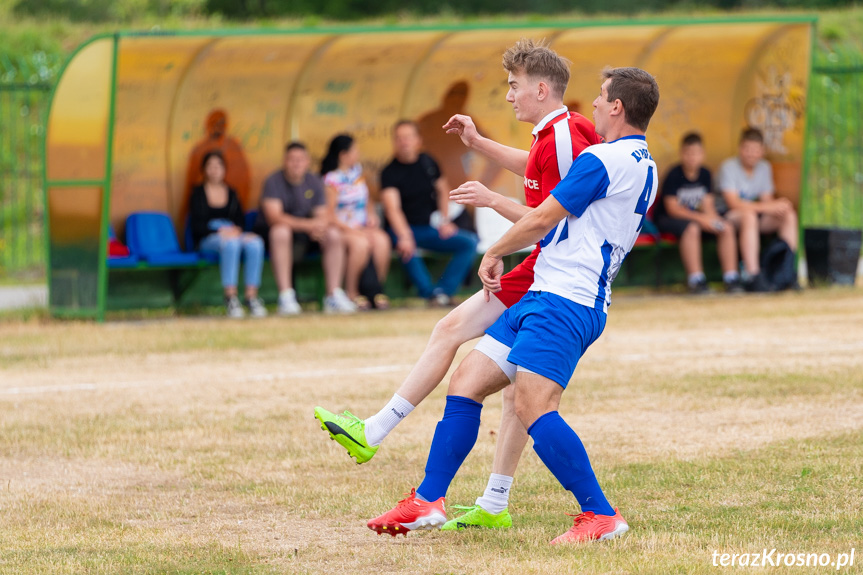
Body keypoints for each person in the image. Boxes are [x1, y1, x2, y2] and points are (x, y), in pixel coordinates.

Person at [314, 38, 601, 531]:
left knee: (457, 338)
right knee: (508, 388)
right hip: (547, 268)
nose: (508, 96)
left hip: (550, 274)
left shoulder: (564, 137)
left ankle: (378, 432)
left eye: (513, 87)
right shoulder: (558, 132)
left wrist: (491, 207)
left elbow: (552, 220)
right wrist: (478, 144)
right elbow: (533, 167)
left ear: (540, 88)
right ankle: (492, 502)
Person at [365, 66, 660, 544]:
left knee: (532, 405)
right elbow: (549, 196)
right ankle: (427, 500)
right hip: (548, 291)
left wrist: (495, 249)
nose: (597, 105)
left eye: (602, 98)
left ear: (618, 107)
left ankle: (601, 514)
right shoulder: (639, 161)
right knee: (464, 383)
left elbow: (544, 216)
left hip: (566, 301)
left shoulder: (604, 160)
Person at [379, 120, 479, 306]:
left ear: (418, 140)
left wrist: (444, 220)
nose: (403, 142)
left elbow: (443, 191)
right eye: (399, 138)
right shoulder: (389, 172)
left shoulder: (428, 162)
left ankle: (443, 292)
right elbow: (393, 209)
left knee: (469, 242)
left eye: (408, 137)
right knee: (407, 247)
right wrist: (404, 235)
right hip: (400, 229)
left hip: (428, 227)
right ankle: (428, 294)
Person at [254, 142, 356, 315]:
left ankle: (333, 295)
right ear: (284, 161)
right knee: (280, 231)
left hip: (308, 236)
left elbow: (322, 214)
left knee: (333, 234)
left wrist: (318, 227)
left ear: (307, 162)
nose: (296, 164)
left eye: (300, 160)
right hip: (279, 237)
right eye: (292, 160)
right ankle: (286, 296)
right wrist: (308, 226)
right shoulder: (273, 181)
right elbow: (274, 217)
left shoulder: (314, 181)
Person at [653, 132, 743, 293]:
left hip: (697, 218)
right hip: (669, 219)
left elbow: (708, 206)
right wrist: (702, 219)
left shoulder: (705, 174)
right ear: (682, 154)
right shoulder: (674, 174)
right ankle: (696, 280)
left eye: (696, 153)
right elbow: (672, 209)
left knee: (726, 227)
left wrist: (715, 221)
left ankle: (731, 278)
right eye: (688, 153)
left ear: (702, 154)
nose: (692, 157)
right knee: (692, 228)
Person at [718, 127, 799, 292]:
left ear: (762, 151)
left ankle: (786, 270)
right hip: (729, 217)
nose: (751, 154)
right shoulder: (728, 167)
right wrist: (769, 206)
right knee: (749, 216)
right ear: (740, 148)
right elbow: (733, 203)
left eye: (755, 150)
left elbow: (766, 200)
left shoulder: (764, 167)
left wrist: (779, 206)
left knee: (788, 215)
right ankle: (753, 275)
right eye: (747, 149)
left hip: (754, 217)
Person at [189, 151, 266, 319]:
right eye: (210, 166)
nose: (214, 170)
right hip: (209, 237)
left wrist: (237, 231)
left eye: (218, 166)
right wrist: (220, 231)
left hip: (232, 232)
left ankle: (251, 297)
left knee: (255, 243)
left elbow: (240, 221)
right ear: (204, 169)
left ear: (224, 169)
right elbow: (197, 226)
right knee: (231, 244)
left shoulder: (232, 193)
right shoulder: (198, 194)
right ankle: (230, 297)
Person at [321, 134, 391, 310]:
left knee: (382, 241)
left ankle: (375, 291)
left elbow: (366, 200)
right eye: (354, 151)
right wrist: (352, 230)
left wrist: (371, 215)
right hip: (341, 228)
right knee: (361, 244)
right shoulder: (331, 179)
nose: (357, 154)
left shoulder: (357, 173)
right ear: (343, 155)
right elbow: (329, 213)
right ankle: (352, 292)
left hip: (361, 225)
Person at [184, 109, 252, 219]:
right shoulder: (200, 148)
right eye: (214, 122)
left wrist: (234, 231)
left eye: (221, 123)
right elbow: (197, 226)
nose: (214, 170)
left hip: (233, 234)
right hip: (211, 234)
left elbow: (245, 175)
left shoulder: (234, 146)